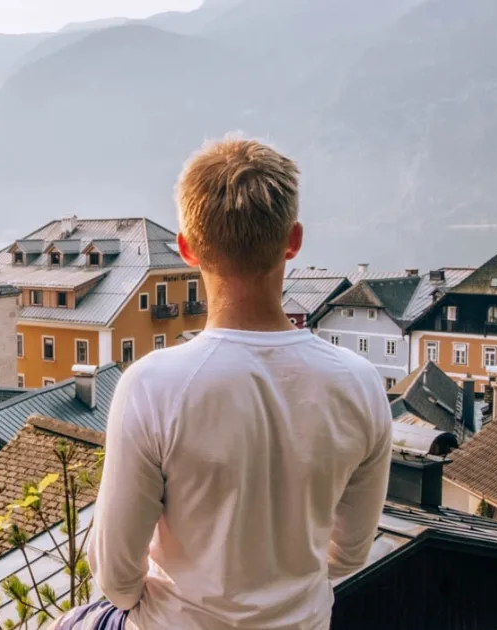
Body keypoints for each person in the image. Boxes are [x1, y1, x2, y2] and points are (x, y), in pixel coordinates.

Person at [54, 137, 392, 630]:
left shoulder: (153, 385)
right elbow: (349, 552)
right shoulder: (360, 385)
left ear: (187, 248)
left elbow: (116, 576)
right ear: (293, 240)